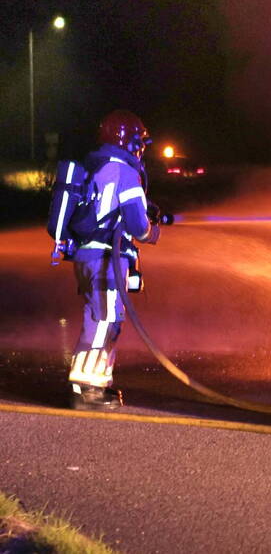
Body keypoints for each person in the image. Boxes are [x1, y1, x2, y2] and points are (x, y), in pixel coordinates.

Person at [67, 110, 161, 410]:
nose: (141, 147)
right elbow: (137, 226)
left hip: (89, 255)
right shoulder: (124, 171)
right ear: (127, 139)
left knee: (102, 317)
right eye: (139, 140)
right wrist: (153, 231)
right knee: (104, 320)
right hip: (106, 258)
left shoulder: (99, 165)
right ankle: (86, 389)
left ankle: (96, 384)